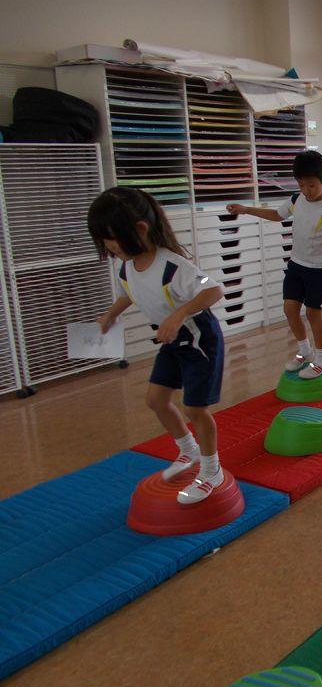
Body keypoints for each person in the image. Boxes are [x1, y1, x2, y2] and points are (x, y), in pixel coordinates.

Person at [88, 187, 225, 504]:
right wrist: (109, 315)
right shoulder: (127, 266)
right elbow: (128, 292)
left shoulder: (173, 266)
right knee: (156, 399)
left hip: (199, 339)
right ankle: (188, 450)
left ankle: (212, 471)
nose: (109, 247)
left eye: (111, 239)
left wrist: (178, 314)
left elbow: (213, 290)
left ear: (140, 229)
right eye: (104, 241)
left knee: (195, 408)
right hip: (172, 340)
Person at [227, 151, 322, 378]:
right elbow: (276, 215)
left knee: (313, 314)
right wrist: (246, 210)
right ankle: (305, 351)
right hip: (296, 265)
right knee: (289, 309)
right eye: (301, 185)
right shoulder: (296, 200)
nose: (306, 190)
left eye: (311, 185)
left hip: (318, 270)